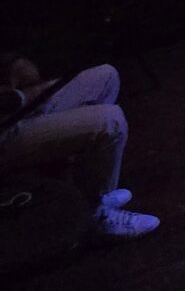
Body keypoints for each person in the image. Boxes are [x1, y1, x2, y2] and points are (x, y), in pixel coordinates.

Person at [0, 55, 158, 239]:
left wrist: (16, 63)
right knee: (110, 123)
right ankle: (95, 214)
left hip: (12, 110)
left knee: (107, 76)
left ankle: (86, 189)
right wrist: (22, 97)